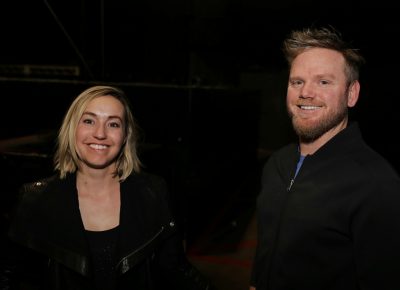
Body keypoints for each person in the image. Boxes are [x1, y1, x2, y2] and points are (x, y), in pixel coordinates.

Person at [0, 85, 211, 290]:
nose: (100, 133)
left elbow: (177, 270)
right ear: (72, 128)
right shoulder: (35, 199)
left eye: (113, 124)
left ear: (126, 136)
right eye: (89, 121)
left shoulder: (153, 192)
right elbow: (7, 276)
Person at [250, 27, 400, 290]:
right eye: (297, 82)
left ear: (351, 94)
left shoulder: (376, 183)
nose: (305, 93)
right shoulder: (276, 165)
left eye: (323, 82)